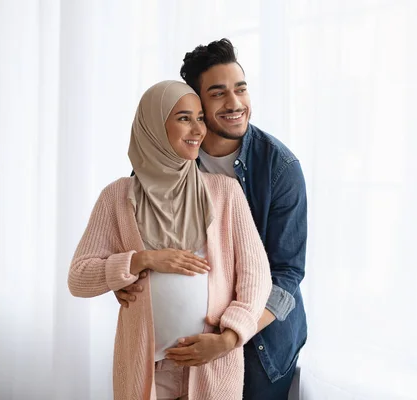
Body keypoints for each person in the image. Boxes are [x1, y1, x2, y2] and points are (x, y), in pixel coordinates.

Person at [116, 38, 308, 400]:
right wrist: (122, 280)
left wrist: (229, 339)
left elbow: (287, 275)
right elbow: (132, 243)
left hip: (261, 345)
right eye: (218, 94)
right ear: (195, 102)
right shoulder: (161, 160)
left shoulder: (281, 169)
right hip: (172, 347)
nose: (235, 104)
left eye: (241, 89)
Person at [68, 80, 271, 400]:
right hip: (147, 367)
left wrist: (228, 339)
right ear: (153, 125)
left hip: (212, 365)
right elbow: (79, 277)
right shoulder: (118, 197)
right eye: (183, 118)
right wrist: (141, 259)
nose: (198, 129)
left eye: (201, 118)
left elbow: (256, 278)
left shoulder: (224, 192)